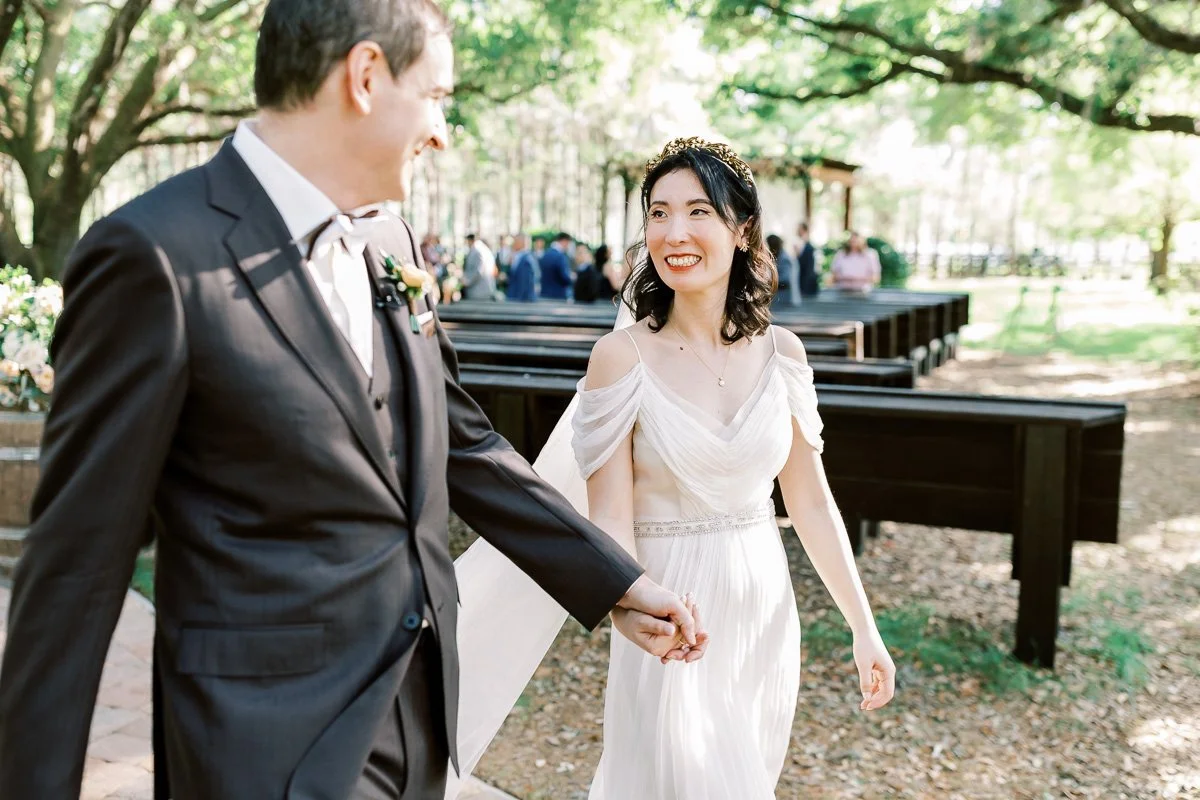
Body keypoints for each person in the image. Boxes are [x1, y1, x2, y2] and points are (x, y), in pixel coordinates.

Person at [0, 4, 705, 799]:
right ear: (365, 77)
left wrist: (614, 580)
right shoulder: (155, 257)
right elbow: (73, 575)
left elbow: (461, 445)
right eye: (435, 97)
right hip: (257, 752)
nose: (441, 133)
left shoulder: (390, 244)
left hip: (413, 730)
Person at [449, 138, 896, 799]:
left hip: (764, 614)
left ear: (742, 230)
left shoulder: (784, 354)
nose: (674, 232)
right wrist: (628, 604)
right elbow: (610, 514)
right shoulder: (620, 357)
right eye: (659, 213)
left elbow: (810, 501)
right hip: (673, 614)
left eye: (697, 212)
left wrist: (864, 626)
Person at [461, 233, 497, 301]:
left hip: (479, 291)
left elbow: (478, 271)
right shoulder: (483, 249)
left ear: (470, 240)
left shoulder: (478, 251)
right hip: (483, 290)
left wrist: (466, 282)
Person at [539, 231, 574, 300]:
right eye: (569, 243)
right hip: (558, 295)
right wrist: (573, 278)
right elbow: (564, 277)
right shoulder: (560, 256)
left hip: (544, 293)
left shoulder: (546, 253)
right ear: (564, 241)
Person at [505, 232, 539, 302]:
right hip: (514, 297)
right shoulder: (517, 256)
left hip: (521, 299)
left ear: (521, 242)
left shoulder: (527, 259)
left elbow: (525, 282)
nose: (513, 244)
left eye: (515, 241)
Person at [767, 232, 799, 306]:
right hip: (780, 298)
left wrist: (769, 282)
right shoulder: (779, 256)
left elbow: (785, 279)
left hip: (784, 298)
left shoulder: (784, 258)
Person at [797, 220, 820, 298]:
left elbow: (810, 268)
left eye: (799, 229)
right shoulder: (800, 244)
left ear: (804, 230)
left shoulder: (809, 247)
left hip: (807, 284)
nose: (797, 231)